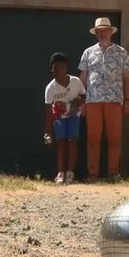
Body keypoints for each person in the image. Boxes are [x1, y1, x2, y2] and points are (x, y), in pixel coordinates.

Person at [79, 17, 129, 183]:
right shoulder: (88, 53)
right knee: (93, 138)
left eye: (105, 30)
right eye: (99, 31)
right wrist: (81, 100)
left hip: (114, 100)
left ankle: (113, 173)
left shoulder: (121, 52)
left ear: (111, 32)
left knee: (115, 137)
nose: (103, 33)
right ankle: (93, 174)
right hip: (93, 100)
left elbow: (128, 78)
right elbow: (83, 77)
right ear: (96, 34)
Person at [44, 52, 85, 184]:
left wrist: (79, 101)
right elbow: (49, 110)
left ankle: (70, 173)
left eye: (61, 68)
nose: (58, 71)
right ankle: (60, 172)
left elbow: (83, 95)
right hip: (59, 118)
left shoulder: (75, 82)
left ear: (66, 68)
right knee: (61, 142)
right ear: (52, 70)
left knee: (72, 141)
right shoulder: (50, 88)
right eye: (55, 68)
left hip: (74, 115)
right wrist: (48, 131)